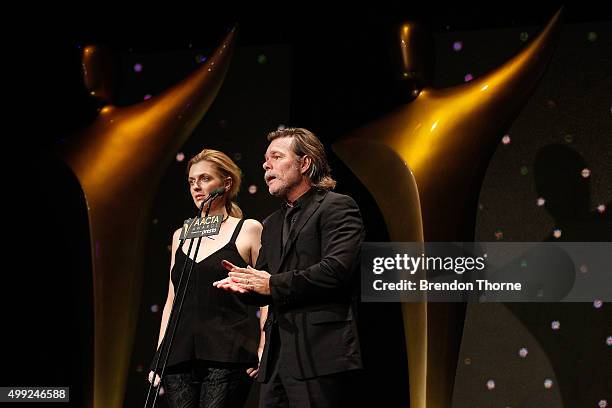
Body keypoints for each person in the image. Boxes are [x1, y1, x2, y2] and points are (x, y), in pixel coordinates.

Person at [214, 128, 365, 407]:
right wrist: (245, 287)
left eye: (276, 156)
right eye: (265, 159)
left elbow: (335, 271)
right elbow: (265, 285)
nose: (265, 164)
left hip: (319, 354)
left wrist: (269, 284)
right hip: (276, 361)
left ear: (304, 163)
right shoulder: (271, 223)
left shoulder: (337, 207)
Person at [149, 149, 267, 408]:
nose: (197, 187)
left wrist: (263, 346)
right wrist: (160, 353)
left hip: (228, 351)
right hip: (178, 354)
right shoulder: (181, 234)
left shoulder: (248, 229)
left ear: (226, 183)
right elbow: (172, 299)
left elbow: (266, 294)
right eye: (192, 182)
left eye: (204, 179)